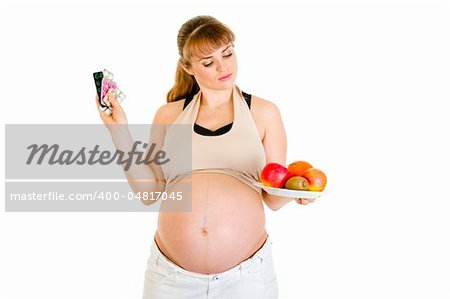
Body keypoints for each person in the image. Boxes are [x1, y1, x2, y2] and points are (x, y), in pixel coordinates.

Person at [96, 15, 316, 299]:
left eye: (228, 54)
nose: (223, 67)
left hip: (246, 278)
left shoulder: (264, 113)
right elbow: (150, 193)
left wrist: (297, 192)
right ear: (188, 67)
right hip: (171, 278)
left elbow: (273, 198)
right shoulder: (169, 115)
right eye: (209, 62)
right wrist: (120, 134)